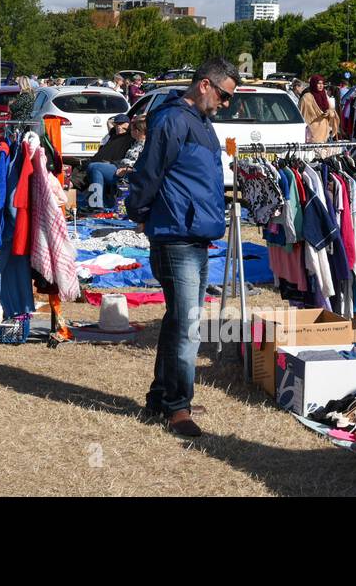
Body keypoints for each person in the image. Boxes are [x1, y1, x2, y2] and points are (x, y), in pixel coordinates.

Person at [128, 58, 238, 437]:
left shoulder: (203, 124)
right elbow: (149, 171)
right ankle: (178, 407)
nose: (226, 104)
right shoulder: (173, 119)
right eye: (224, 95)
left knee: (179, 320)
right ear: (205, 85)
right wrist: (138, 212)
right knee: (188, 324)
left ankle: (163, 396)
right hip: (175, 235)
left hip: (196, 235)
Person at [86, 115, 147, 209]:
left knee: (95, 168)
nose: (130, 132)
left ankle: (96, 205)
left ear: (137, 131)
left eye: (131, 130)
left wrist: (126, 168)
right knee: (93, 167)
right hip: (121, 167)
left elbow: (142, 163)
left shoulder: (146, 145)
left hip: (129, 172)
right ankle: (99, 204)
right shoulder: (136, 142)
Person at [299, 74, 339, 142]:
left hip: (324, 130)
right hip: (312, 131)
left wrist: (329, 112)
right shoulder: (306, 97)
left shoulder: (324, 95)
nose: (321, 86)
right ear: (314, 84)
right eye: (318, 83)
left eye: (322, 83)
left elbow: (332, 110)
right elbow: (302, 115)